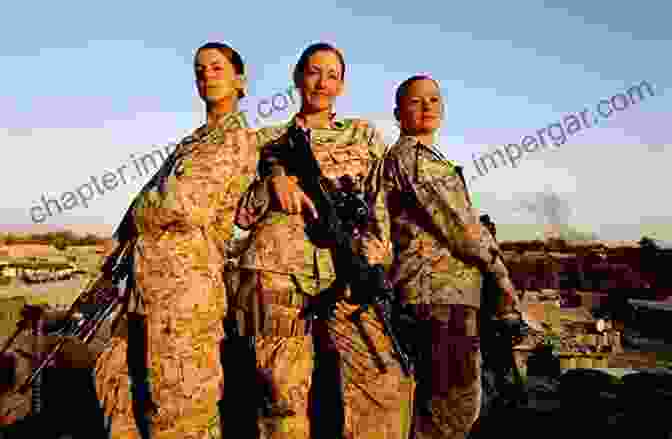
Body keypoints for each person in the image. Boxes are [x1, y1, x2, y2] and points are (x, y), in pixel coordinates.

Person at [231, 42, 414, 438]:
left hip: (350, 276)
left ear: (342, 86)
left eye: (333, 75)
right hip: (279, 277)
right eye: (314, 71)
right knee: (282, 398)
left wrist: (374, 259)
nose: (322, 82)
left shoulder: (363, 136)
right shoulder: (265, 140)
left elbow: (383, 203)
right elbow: (241, 215)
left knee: (385, 384)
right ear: (298, 78)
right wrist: (272, 181)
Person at [93, 41, 260, 439]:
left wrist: (136, 214)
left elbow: (182, 204)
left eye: (217, 67)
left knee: (180, 410)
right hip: (145, 287)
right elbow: (154, 201)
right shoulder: (193, 141)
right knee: (115, 384)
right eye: (200, 68)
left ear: (240, 80)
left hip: (185, 296)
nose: (206, 74)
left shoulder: (235, 138)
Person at [381, 75, 524, 439]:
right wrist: (502, 278)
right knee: (452, 407)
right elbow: (466, 231)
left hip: (442, 294)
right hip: (438, 295)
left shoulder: (427, 159)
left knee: (444, 405)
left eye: (433, 99)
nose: (427, 106)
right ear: (398, 113)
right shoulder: (414, 158)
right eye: (416, 101)